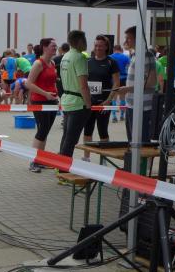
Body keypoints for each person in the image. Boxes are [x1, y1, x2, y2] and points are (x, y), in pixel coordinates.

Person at [115, 26, 158, 142]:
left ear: (137, 38)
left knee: (141, 142)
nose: (125, 41)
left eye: (128, 38)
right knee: (132, 141)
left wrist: (127, 89)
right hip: (132, 105)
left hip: (142, 107)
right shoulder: (135, 55)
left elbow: (152, 81)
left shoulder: (146, 55)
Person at [82, 36, 120, 162]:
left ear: (106, 47)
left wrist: (108, 101)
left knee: (103, 130)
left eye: (100, 46)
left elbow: (116, 83)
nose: (98, 48)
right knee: (87, 130)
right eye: (96, 45)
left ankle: (104, 160)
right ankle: (86, 157)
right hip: (89, 102)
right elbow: (83, 82)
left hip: (104, 102)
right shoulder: (88, 61)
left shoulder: (111, 62)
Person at [25, 38, 59, 172]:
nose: (55, 48)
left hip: (52, 101)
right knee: (42, 130)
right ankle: (33, 161)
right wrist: (45, 94)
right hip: (40, 101)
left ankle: (40, 160)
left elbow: (53, 82)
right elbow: (28, 83)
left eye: (56, 46)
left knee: (45, 131)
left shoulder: (52, 63)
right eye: (53, 46)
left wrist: (56, 95)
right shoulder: (38, 63)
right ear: (44, 47)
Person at [58, 30, 92, 158]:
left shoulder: (65, 57)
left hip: (67, 100)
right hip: (78, 103)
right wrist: (88, 105)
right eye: (85, 40)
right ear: (80, 41)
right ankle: (63, 166)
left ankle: (60, 163)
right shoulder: (80, 57)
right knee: (71, 140)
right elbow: (83, 85)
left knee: (66, 137)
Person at [109, 44, 129, 122]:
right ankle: (122, 116)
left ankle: (114, 116)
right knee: (122, 97)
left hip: (113, 79)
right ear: (121, 49)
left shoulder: (110, 57)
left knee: (114, 98)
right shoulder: (125, 57)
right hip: (123, 78)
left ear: (114, 49)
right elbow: (128, 68)